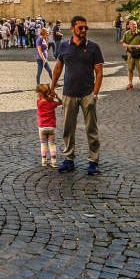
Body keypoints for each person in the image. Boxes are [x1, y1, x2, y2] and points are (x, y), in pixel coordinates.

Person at [49, 15, 104, 175]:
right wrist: (52, 87)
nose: (84, 30)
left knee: (91, 129)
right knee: (68, 128)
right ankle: (68, 159)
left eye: (86, 28)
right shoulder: (64, 46)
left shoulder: (94, 47)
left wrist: (95, 93)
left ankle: (93, 161)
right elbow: (58, 68)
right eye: (81, 28)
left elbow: (99, 72)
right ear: (73, 28)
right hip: (69, 93)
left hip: (87, 93)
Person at [35, 83, 60, 168]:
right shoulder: (52, 103)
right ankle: (54, 161)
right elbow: (61, 103)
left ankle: (44, 161)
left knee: (43, 144)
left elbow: (41, 99)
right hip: (51, 127)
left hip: (42, 127)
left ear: (39, 93)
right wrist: (56, 97)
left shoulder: (39, 102)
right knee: (52, 144)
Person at [121, 20, 140, 91]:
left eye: (135, 24)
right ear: (129, 26)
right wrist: (128, 45)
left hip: (139, 54)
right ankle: (130, 84)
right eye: (133, 25)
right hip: (130, 54)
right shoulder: (126, 33)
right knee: (130, 69)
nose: (135, 26)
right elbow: (123, 43)